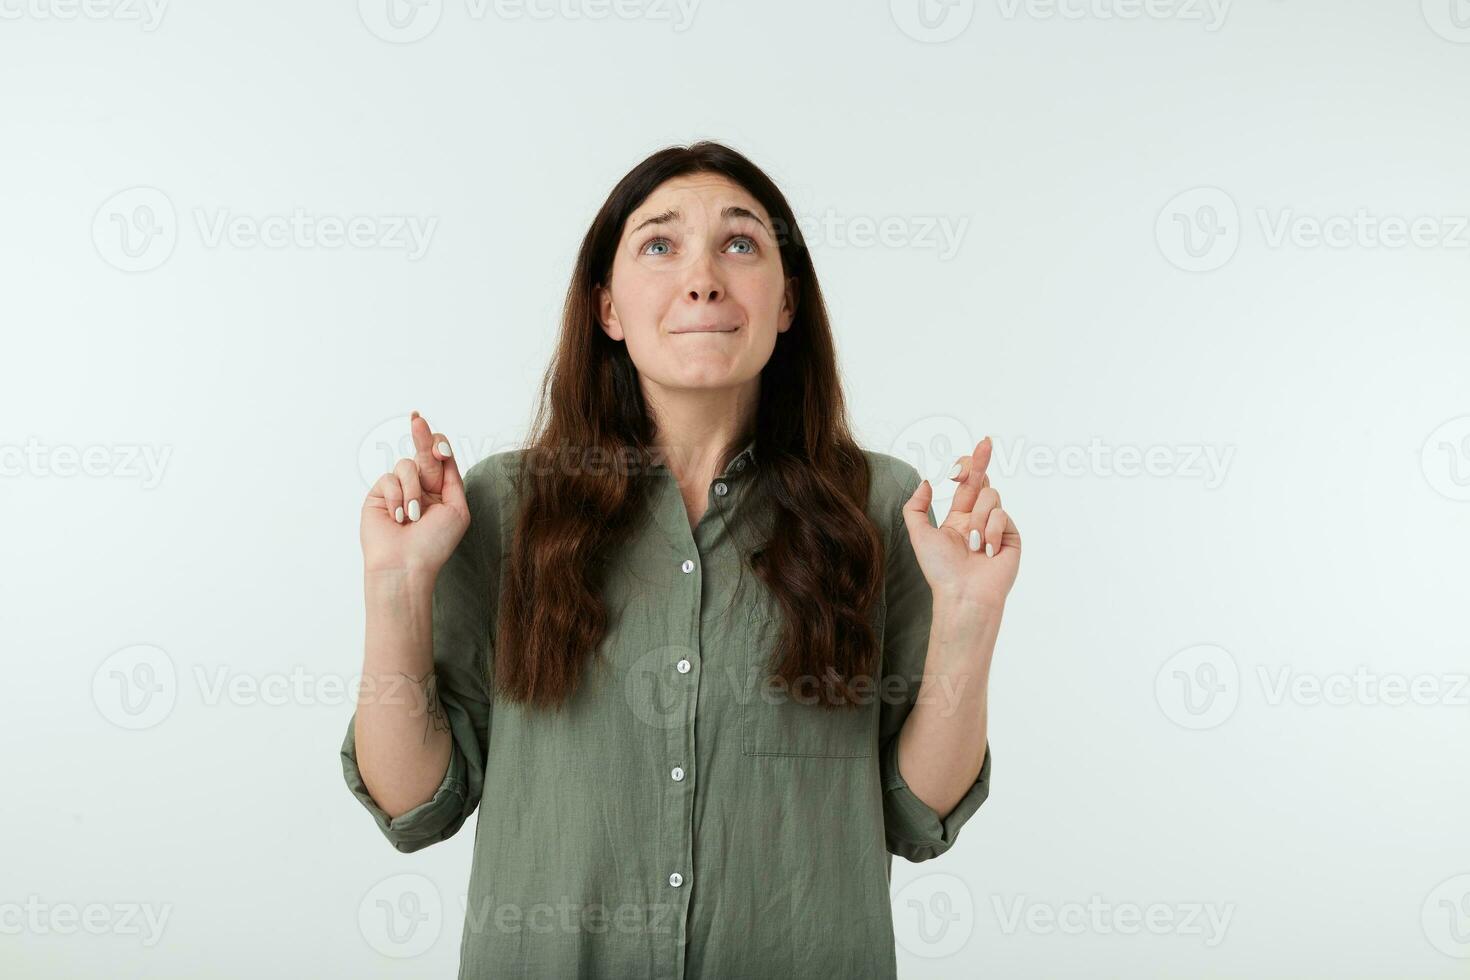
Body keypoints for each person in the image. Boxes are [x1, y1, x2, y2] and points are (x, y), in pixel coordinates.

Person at [341, 140, 1021, 978]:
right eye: (659, 245)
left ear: (786, 303)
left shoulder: (883, 509)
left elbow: (919, 816)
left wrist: (971, 614)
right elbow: (414, 805)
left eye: (740, 244)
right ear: (608, 308)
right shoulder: (503, 508)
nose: (703, 277)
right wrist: (396, 584)